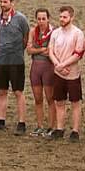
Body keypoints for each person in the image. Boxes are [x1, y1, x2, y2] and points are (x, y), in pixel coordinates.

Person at [0, 0, 30, 135]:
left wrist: (19, 50)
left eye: (5, 2)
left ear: (12, 2)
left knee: (18, 91)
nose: (2, 4)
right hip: (1, 59)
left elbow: (26, 36)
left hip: (16, 60)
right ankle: (1, 120)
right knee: (2, 91)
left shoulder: (20, 19)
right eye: (1, 2)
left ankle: (21, 122)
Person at [47, 6, 85, 141]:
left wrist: (62, 65)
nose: (62, 19)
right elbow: (50, 50)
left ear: (71, 17)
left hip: (72, 74)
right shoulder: (56, 33)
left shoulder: (78, 33)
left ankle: (75, 130)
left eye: (65, 17)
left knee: (75, 102)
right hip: (59, 73)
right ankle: (60, 128)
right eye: (61, 17)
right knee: (59, 101)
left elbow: (78, 54)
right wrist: (58, 66)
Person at [26, 9, 57, 137]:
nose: (41, 21)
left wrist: (37, 49)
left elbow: (51, 51)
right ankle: (39, 126)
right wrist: (42, 49)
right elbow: (28, 50)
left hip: (48, 67)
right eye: (39, 19)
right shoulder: (33, 31)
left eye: (43, 19)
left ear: (48, 19)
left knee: (50, 98)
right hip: (35, 68)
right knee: (38, 99)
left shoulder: (54, 32)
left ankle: (51, 126)